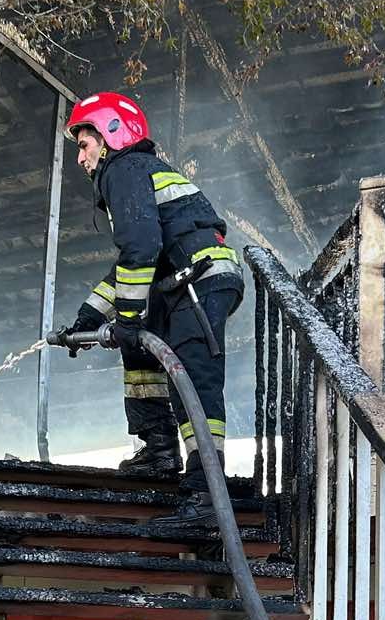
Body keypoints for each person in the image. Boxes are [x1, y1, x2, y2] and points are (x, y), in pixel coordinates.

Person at [49, 91, 243, 530]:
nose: (80, 158)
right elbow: (131, 263)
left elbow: (141, 249)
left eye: (84, 145)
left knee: (192, 373)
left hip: (199, 281)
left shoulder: (126, 169)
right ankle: (159, 449)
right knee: (138, 346)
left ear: (111, 134)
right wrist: (90, 316)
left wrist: (127, 320)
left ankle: (207, 495)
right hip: (178, 281)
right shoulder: (134, 173)